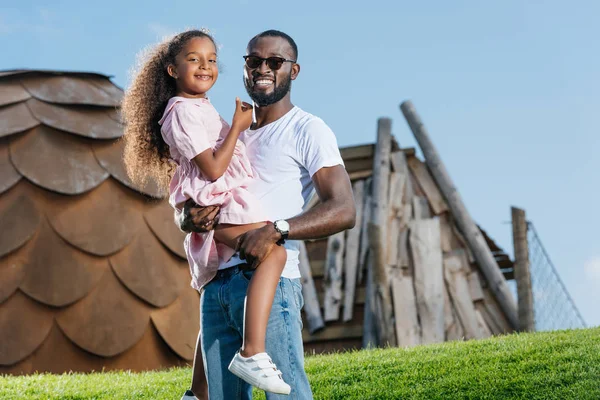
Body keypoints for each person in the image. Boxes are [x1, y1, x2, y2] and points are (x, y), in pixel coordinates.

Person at [177, 30, 356, 400]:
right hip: (216, 286)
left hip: (271, 285)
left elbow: (343, 209)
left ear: (294, 70)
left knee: (286, 396)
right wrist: (186, 218)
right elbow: (194, 191)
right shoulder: (228, 133)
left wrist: (278, 229)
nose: (263, 69)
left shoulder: (308, 129)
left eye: (275, 62)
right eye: (253, 61)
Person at [120, 28, 296, 395]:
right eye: (194, 59)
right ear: (172, 69)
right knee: (273, 253)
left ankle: (195, 391)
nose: (205, 66)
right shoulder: (180, 111)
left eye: (212, 60)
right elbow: (213, 169)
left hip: (221, 200)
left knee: (222, 305)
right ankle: (251, 352)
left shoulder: (195, 107)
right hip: (219, 199)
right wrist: (237, 127)